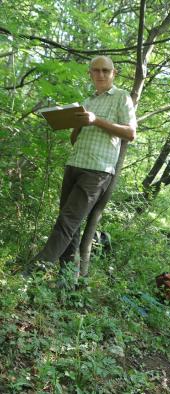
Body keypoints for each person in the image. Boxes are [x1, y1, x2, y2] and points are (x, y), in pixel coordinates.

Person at [24, 55, 136, 280]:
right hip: (74, 164)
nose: (101, 74)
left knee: (67, 220)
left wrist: (95, 121)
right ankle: (66, 284)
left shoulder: (122, 97)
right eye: (96, 70)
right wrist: (76, 124)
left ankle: (33, 271)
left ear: (113, 73)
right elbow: (75, 140)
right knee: (71, 228)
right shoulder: (87, 101)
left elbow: (130, 133)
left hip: (98, 169)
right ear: (90, 74)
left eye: (106, 70)